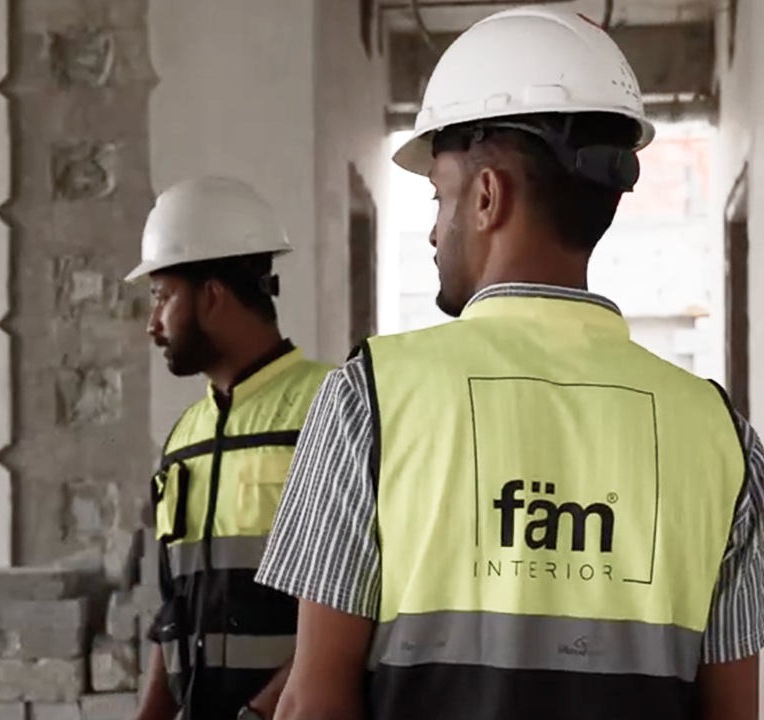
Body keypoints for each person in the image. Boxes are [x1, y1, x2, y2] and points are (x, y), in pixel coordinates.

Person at [255, 7, 764, 720]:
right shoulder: (721, 437)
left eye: (439, 196)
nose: (435, 229)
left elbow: (313, 703)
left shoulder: (368, 401)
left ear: (488, 196)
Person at [125, 176, 333, 720]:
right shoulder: (183, 440)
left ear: (213, 295)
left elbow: (361, 600)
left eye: (162, 297)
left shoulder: (333, 408)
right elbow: (173, 609)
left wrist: (263, 714)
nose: (152, 324)